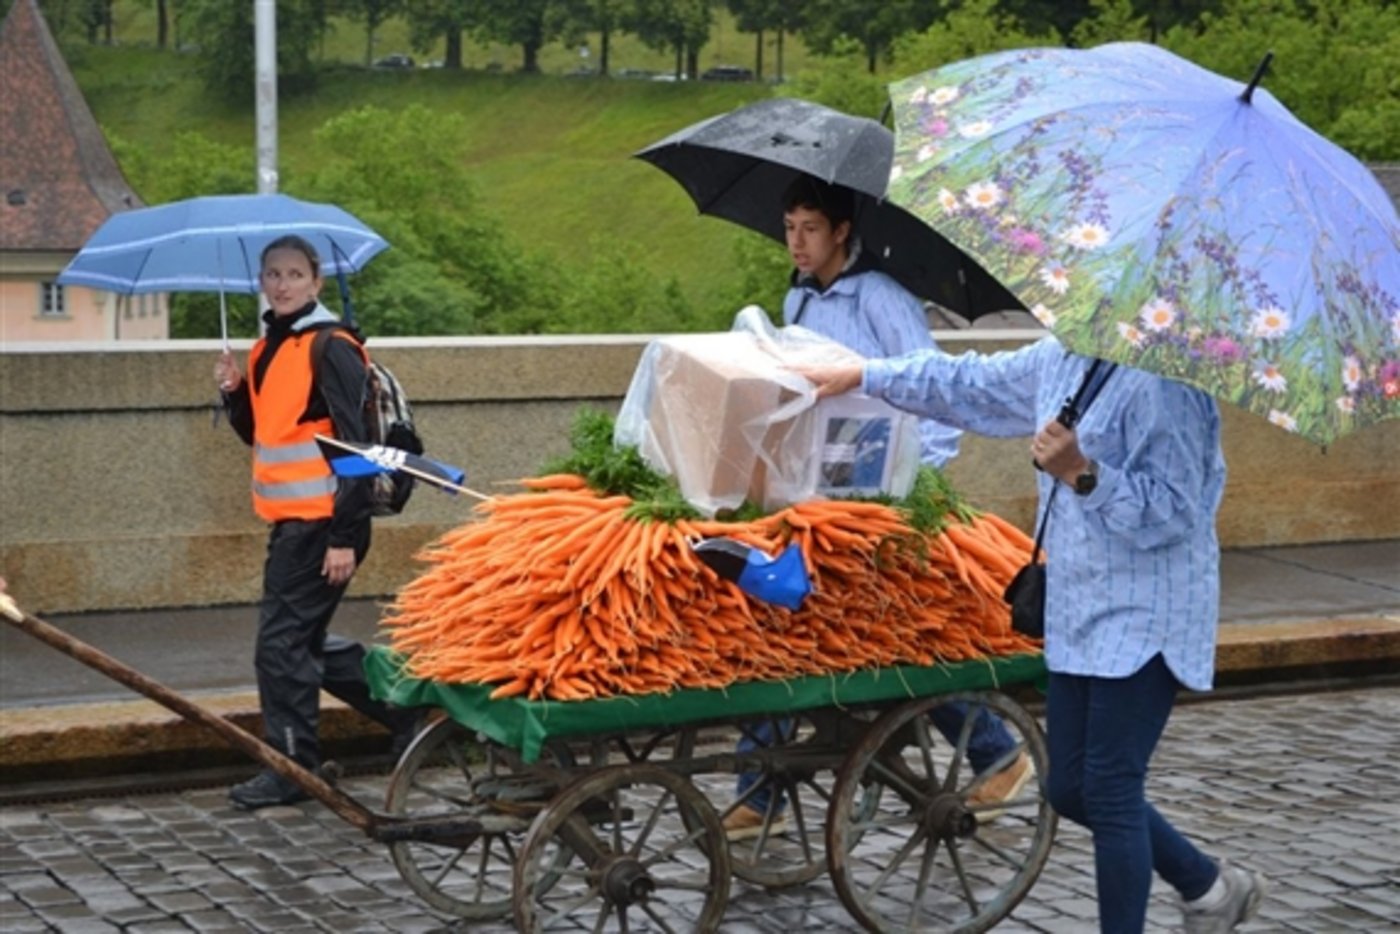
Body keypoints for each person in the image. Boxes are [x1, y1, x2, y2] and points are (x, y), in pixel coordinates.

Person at [794, 338, 1267, 933]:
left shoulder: (1166, 383)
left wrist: (1083, 473)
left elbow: (1176, 512)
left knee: (1111, 788)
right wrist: (865, 374)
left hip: (1146, 612)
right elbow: (970, 383)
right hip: (1078, 604)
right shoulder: (1065, 357)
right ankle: (1209, 886)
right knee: (1068, 787)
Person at [723, 176, 1032, 842]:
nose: (797, 242)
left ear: (842, 231)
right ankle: (763, 786)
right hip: (820, 496)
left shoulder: (881, 298)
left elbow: (933, 389)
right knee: (797, 623)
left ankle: (995, 752)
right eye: (789, 228)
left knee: (890, 636)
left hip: (885, 497)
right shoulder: (797, 301)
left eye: (811, 228)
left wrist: (913, 487)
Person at [213, 235, 418, 810]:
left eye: (294, 274)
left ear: (316, 282)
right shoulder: (266, 349)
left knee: (279, 647)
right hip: (294, 523)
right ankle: (408, 707)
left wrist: (344, 537)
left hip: (325, 524)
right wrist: (234, 392)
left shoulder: (331, 346)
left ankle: (293, 769)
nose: (281, 285)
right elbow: (261, 435)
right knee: (300, 642)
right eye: (272, 274)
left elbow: (356, 445)